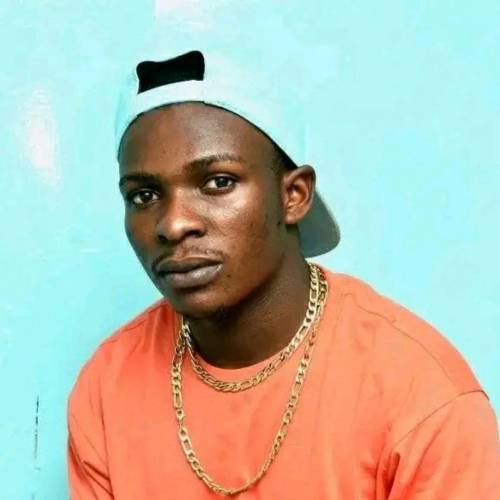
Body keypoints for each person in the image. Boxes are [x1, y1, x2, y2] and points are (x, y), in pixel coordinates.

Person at [67, 48, 500, 499]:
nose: (174, 224)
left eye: (218, 182)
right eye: (144, 195)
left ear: (294, 195)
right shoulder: (108, 384)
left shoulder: (421, 396)